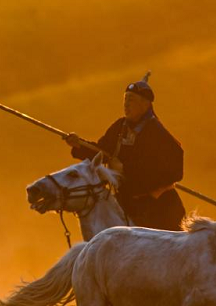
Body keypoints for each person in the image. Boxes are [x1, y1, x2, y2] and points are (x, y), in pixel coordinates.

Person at [65, 74, 186, 231]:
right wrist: (79, 145)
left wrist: (125, 169)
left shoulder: (158, 134)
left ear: (145, 105)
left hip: (159, 210)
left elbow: (174, 172)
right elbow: (102, 151)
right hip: (127, 204)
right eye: (125, 100)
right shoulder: (120, 127)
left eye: (132, 100)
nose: (126, 105)